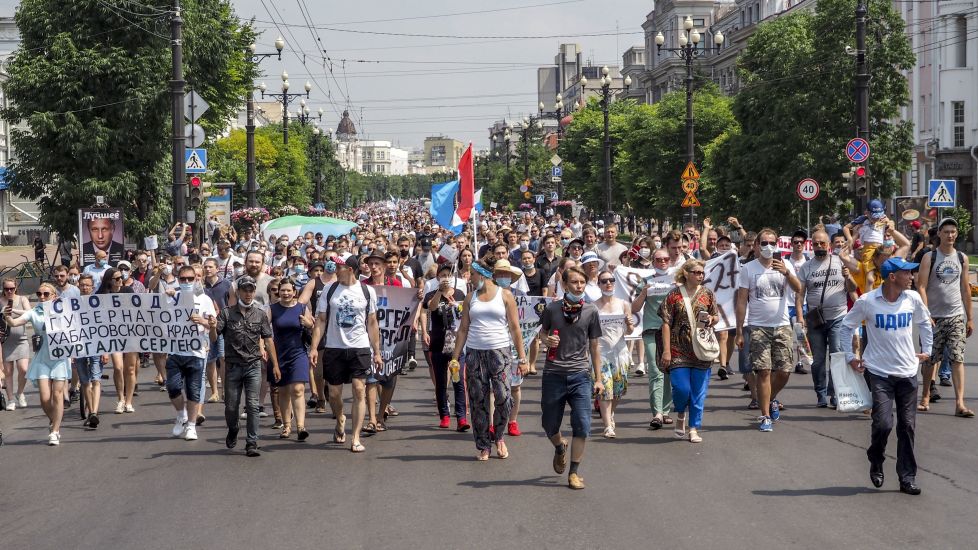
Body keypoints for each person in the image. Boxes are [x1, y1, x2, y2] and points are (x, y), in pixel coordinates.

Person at [840, 258, 932, 495]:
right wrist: (850, 356)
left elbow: (924, 323)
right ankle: (876, 457)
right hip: (879, 372)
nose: (912, 277)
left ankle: (907, 477)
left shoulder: (912, 298)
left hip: (908, 372)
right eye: (907, 273)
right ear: (893, 277)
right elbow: (846, 326)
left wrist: (928, 351)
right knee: (883, 424)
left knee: (907, 426)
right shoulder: (868, 301)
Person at [449, 258, 528, 461]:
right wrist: (455, 357)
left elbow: (515, 328)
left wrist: (522, 357)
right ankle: (484, 445)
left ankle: (499, 435)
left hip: (499, 352)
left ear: (483, 275)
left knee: (503, 396)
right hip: (475, 352)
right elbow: (463, 329)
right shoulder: (470, 298)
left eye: (472, 275)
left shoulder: (505, 295)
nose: (470, 278)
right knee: (478, 400)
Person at [308, 253, 385, 453]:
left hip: (359, 347)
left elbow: (372, 322)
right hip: (334, 347)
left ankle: (356, 437)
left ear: (350, 269)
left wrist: (377, 352)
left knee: (359, 389)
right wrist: (314, 347)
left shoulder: (367, 292)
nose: (334, 269)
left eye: (338, 266)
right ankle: (340, 417)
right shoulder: (330, 289)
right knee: (334, 393)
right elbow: (321, 320)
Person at [539, 266, 602, 489]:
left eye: (582, 283)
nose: (579, 286)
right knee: (548, 424)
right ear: (565, 285)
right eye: (574, 282)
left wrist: (598, 378)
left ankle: (574, 473)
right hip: (554, 373)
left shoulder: (591, 311)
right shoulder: (552, 309)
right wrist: (546, 341)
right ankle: (559, 446)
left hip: (580, 374)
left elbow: (594, 346)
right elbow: (542, 333)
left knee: (582, 425)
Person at [735, 228, 802, 432]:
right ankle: (765, 416)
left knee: (784, 370)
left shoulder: (785, 264)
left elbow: (798, 288)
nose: (768, 247)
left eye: (772, 243)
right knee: (763, 371)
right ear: (756, 246)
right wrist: (739, 330)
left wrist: (787, 273)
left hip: (781, 325)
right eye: (763, 243)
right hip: (758, 326)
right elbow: (741, 301)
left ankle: (770, 397)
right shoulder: (748, 269)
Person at [915, 217, 974, 417]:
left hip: (956, 316)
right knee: (930, 359)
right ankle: (924, 397)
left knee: (958, 358)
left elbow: (965, 288)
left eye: (953, 232)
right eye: (946, 231)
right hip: (934, 317)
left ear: (956, 234)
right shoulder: (929, 257)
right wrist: (926, 313)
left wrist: (970, 317)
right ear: (938, 234)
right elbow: (921, 286)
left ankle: (960, 403)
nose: (950, 235)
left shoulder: (962, 258)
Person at [216, 275, 280, 457]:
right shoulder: (227, 313)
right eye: (244, 289)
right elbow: (215, 336)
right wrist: (212, 325)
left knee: (252, 405)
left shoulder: (260, 314)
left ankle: (252, 442)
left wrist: (275, 365)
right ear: (238, 292)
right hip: (233, 367)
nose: (248, 293)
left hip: (253, 365)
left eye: (251, 289)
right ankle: (234, 428)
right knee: (231, 406)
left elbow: (268, 340)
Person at [659, 260, 719, 443]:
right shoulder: (674, 295)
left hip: (701, 349)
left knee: (698, 392)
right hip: (678, 350)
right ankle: (680, 415)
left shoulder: (707, 293)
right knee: (681, 388)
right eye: (696, 272)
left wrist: (711, 319)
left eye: (702, 272)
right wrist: (666, 351)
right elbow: (666, 323)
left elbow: (716, 316)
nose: (700, 275)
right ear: (686, 273)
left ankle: (693, 427)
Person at [3, 283, 71, 445]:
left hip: (60, 358)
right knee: (44, 398)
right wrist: (7, 316)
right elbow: (14, 323)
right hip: (42, 359)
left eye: (46, 294)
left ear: (54, 296)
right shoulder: (34, 313)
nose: (41, 297)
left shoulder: (65, 311)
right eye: (39, 293)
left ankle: (55, 430)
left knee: (57, 394)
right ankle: (54, 420)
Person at [797, 230, 847, 408]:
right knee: (817, 359)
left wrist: (848, 276)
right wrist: (800, 317)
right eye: (816, 243)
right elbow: (800, 294)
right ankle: (821, 393)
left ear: (829, 245)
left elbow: (852, 287)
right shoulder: (807, 267)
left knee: (836, 355)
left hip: (838, 317)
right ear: (812, 245)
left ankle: (835, 393)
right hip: (815, 320)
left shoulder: (840, 261)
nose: (819, 246)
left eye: (822, 243)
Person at [631, 248, 677, 428]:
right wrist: (644, 292)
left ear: (670, 261)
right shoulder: (646, 281)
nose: (663, 262)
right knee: (656, 371)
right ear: (653, 261)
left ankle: (665, 410)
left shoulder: (676, 281)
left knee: (668, 371)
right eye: (659, 259)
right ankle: (657, 413)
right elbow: (634, 308)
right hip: (652, 330)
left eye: (666, 259)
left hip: (673, 332)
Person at [424, 263, 469, 431]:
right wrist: (439, 292)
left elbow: (466, 314)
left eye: (448, 275)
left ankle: (462, 417)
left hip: (456, 346)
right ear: (437, 278)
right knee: (441, 382)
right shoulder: (431, 293)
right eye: (442, 275)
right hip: (437, 344)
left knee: (459, 382)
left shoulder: (460, 294)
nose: (446, 278)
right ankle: (444, 415)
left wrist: (456, 306)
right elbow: (431, 307)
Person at [269, 278, 314, 440]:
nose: (286, 293)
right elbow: (265, 332)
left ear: (295, 292)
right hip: (279, 353)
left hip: (298, 353)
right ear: (278, 292)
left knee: (298, 389)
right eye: (282, 291)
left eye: (289, 290)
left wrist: (308, 324)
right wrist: (262, 348)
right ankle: (286, 426)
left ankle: (301, 426)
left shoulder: (302, 308)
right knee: (283, 391)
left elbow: (313, 327)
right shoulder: (272, 309)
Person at [593, 270, 634, 438]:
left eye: (611, 280)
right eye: (604, 281)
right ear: (599, 285)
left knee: (618, 390)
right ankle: (608, 426)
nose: (608, 283)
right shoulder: (593, 306)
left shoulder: (623, 304)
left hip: (620, 351)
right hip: (601, 352)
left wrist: (629, 323)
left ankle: (610, 414)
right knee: (604, 390)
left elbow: (630, 331)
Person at [1, 278, 31, 410]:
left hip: (21, 340)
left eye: (11, 289)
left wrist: (14, 311)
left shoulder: (22, 299)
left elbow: (30, 313)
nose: (9, 291)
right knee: (8, 371)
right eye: (6, 289)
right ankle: (11, 399)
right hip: (6, 342)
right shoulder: (0, 301)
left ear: (15, 288)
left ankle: (20, 393)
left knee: (23, 369)